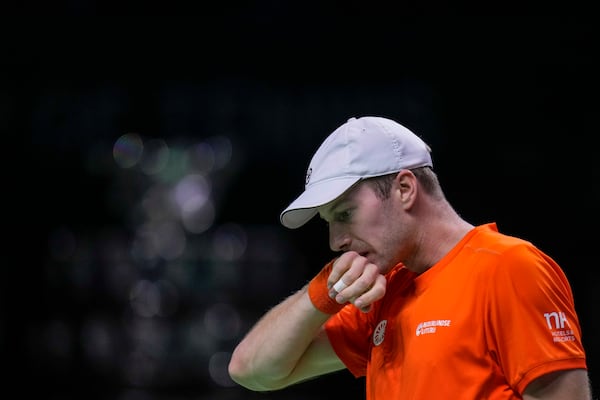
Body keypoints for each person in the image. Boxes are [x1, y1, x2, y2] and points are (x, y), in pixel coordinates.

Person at [228, 116, 592, 399]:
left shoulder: (510, 268)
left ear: (404, 189)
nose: (335, 241)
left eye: (344, 214)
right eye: (328, 222)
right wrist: (326, 291)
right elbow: (251, 369)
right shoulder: (384, 295)